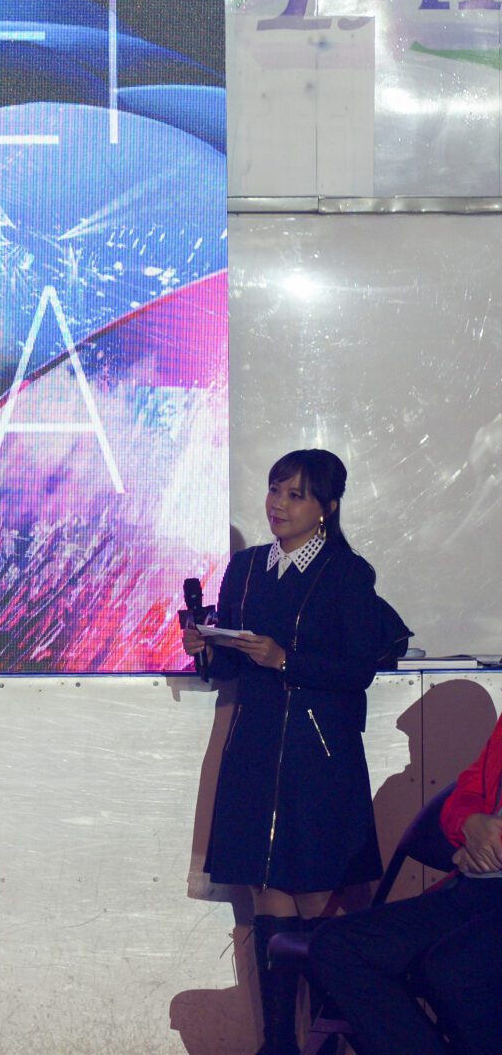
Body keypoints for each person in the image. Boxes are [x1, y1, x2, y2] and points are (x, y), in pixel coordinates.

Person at [180, 449, 411, 1055]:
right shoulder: (247, 568)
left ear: (326, 507)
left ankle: (330, 1038)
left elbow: (357, 670)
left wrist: (286, 660)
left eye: (295, 495)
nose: (278, 505)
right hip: (255, 748)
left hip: (318, 753)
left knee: (316, 895)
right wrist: (207, 648)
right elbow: (228, 665)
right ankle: (278, 1042)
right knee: (266, 893)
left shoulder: (346, 573)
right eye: (274, 490)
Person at [308, 711, 502, 1054]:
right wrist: (469, 824)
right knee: (337, 945)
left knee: (455, 967)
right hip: (476, 889)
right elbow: (466, 792)